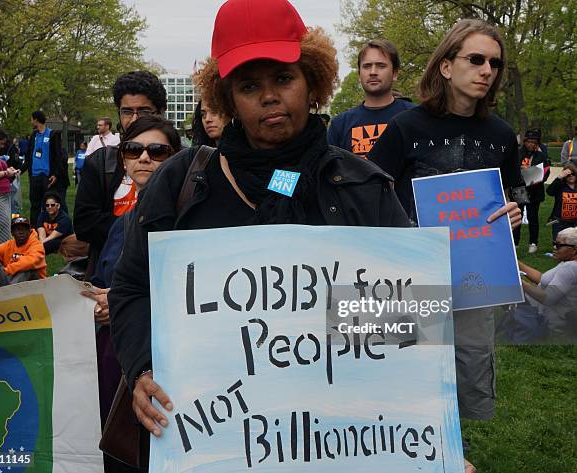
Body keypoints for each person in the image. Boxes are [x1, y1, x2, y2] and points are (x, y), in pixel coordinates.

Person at [109, 1, 409, 470]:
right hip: (210, 435)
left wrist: (424, 431)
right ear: (228, 99)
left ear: (313, 83)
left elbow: (407, 313)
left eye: (284, 79)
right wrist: (142, 366)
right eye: (249, 86)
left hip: (336, 439)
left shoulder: (362, 186)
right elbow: (131, 285)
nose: (269, 97)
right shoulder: (180, 182)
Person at [368, 19, 524, 473]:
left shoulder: (500, 133)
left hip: (477, 276)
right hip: (411, 272)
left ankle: (450, 449)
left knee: (466, 362)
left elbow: (512, 198)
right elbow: (372, 192)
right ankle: (397, 446)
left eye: (494, 63)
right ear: (446, 64)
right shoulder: (404, 127)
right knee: (408, 359)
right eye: (476, 59)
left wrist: (515, 215)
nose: (487, 70)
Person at [82, 116, 180, 473]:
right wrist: (97, 299)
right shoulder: (121, 223)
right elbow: (101, 277)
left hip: (160, 360)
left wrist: (122, 300)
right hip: (114, 357)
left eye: (157, 151)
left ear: (175, 159)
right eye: (133, 149)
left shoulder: (186, 218)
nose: (144, 158)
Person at [73, 71, 167, 278]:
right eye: (127, 111)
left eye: (144, 111)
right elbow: (84, 223)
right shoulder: (100, 162)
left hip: (165, 270)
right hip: (110, 270)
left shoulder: (176, 159)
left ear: (160, 112)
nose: (134, 119)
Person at [328, 39, 415, 157]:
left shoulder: (415, 117)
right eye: (367, 66)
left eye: (381, 66)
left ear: (394, 73)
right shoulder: (339, 125)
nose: (373, 72)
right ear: (359, 74)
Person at [518, 227, 577, 339]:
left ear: (574, 249)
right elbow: (542, 279)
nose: (554, 247)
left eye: (559, 245)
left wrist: (519, 283)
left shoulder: (571, 268)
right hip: (542, 318)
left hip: (546, 324)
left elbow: (547, 298)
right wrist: (518, 264)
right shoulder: (568, 263)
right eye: (554, 243)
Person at [24, 111, 65, 226]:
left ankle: (50, 228)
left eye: (32, 119)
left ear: (36, 120)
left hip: (47, 177)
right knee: (34, 206)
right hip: (34, 177)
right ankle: (34, 230)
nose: (31, 122)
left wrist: (56, 174)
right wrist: (20, 170)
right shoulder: (34, 136)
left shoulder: (52, 134)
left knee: (49, 205)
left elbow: (58, 157)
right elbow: (28, 156)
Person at [513, 128, 550, 253]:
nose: (532, 144)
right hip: (520, 189)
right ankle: (515, 242)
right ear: (525, 141)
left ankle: (533, 243)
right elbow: (511, 170)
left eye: (535, 142)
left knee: (533, 217)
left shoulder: (541, 155)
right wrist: (521, 170)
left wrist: (537, 175)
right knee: (518, 215)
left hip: (535, 189)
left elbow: (546, 172)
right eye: (529, 141)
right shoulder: (517, 153)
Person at [0, 216, 46, 283]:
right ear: (12, 232)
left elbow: (31, 262)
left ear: (29, 231)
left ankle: (9, 291)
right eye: (18, 229)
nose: (21, 232)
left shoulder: (37, 245)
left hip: (38, 283)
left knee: (26, 269)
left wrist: (7, 270)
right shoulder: (8, 245)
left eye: (24, 229)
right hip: (11, 278)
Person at [546, 162, 577, 241]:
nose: (570, 176)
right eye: (568, 175)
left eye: (572, 174)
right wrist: (559, 177)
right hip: (560, 222)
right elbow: (549, 191)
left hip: (575, 222)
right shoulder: (560, 186)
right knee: (559, 245)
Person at [36, 191, 73, 255]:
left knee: (51, 243)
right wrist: (41, 243)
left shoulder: (65, 219)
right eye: (47, 205)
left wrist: (40, 245)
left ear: (58, 206)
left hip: (62, 240)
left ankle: (37, 253)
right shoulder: (42, 215)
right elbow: (41, 233)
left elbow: (53, 236)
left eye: (52, 205)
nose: (50, 207)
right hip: (47, 239)